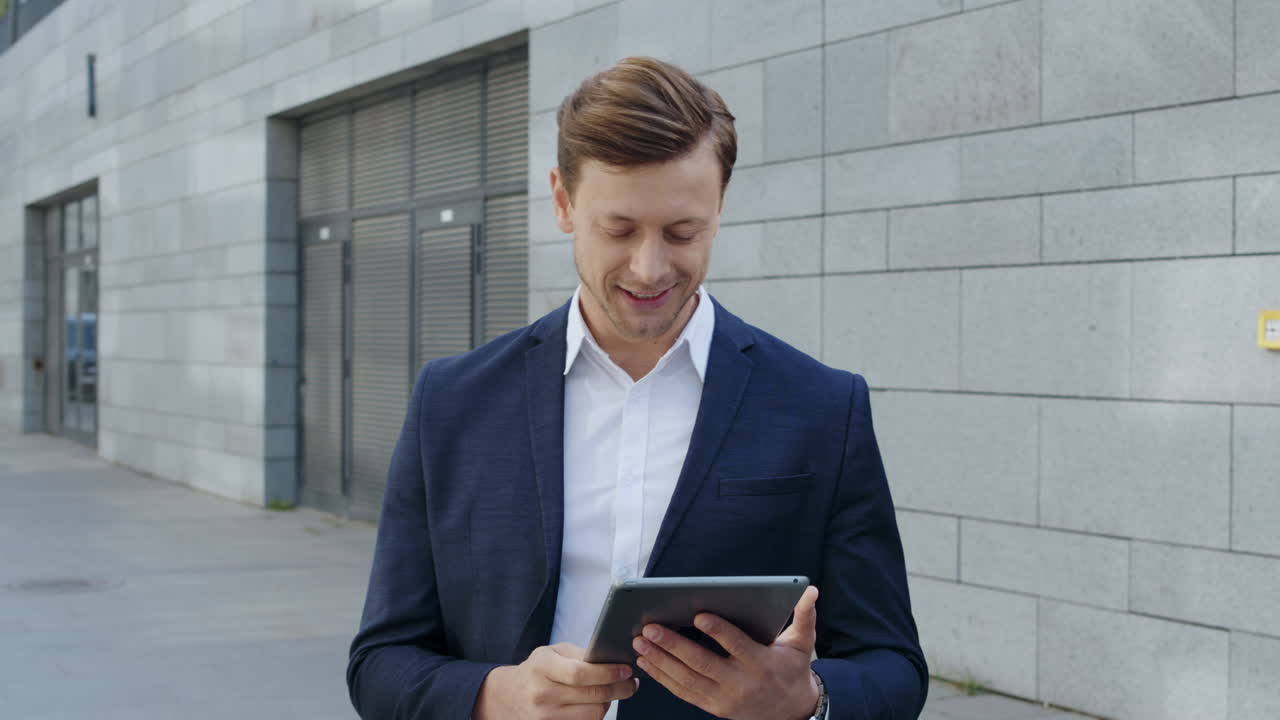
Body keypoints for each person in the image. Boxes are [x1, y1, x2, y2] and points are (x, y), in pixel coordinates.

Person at [346, 56, 927, 720]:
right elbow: (381, 662)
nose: (649, 269)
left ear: (719, 207)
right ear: (563, 201)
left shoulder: (821, 407)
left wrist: (806, 699)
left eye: (683, 232)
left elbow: (893, 666)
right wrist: (494, 697)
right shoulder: (453, 401)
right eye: (618, 229)